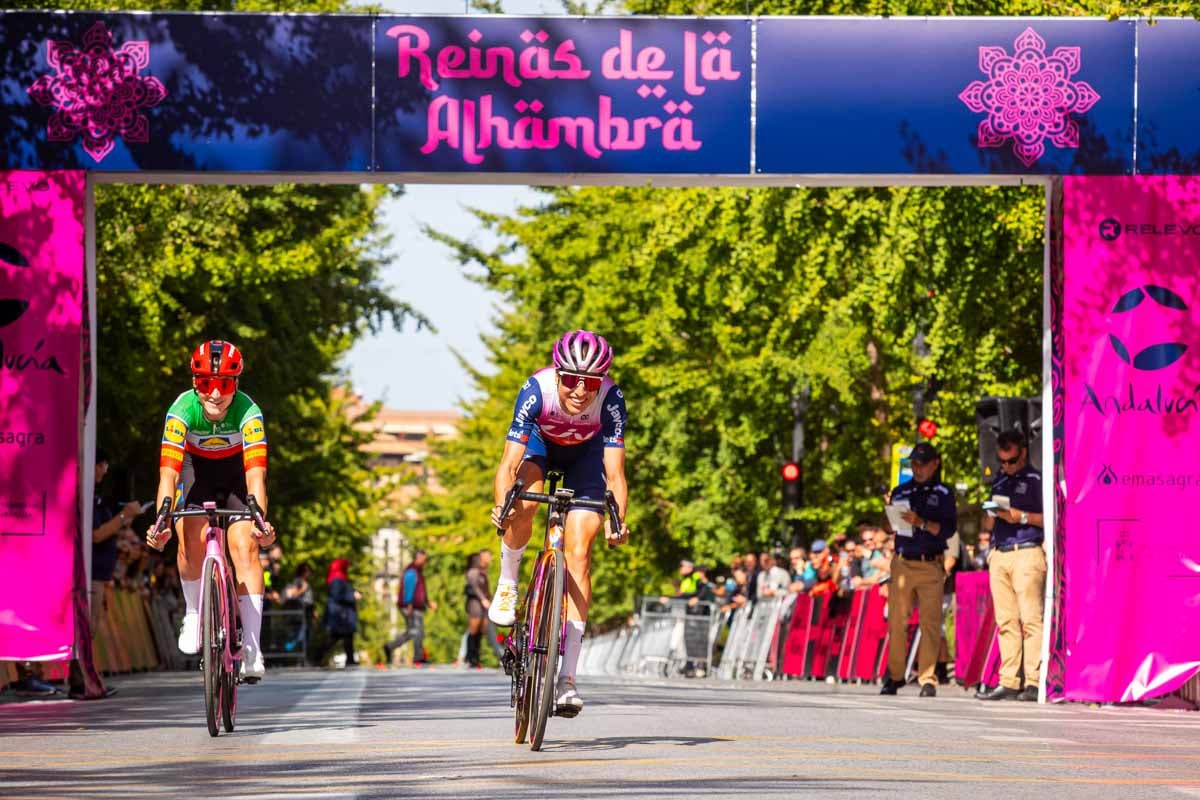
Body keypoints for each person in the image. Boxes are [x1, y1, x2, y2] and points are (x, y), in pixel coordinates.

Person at [488, 330, 630, 717]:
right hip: (540, 448)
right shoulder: (537, 390)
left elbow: (615, 474)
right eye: (571, 380)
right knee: (524, 504)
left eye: (591, 382)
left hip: (586, 457)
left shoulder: (611, 399)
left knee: (580, 551)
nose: (581, 391)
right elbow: (508, 465)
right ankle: (509, 580)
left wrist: (618, 520)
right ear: (558, 374)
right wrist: (503, 505)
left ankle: (567, 679)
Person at [145, 340, 276, 683]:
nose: (215, 394)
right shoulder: (181, 411)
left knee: (244, 546)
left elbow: (256, 476)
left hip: (235, 476)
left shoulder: (249, 413)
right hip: (196, 472)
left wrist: (260, 520)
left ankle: (251, 646)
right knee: (189, 535)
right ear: (194, 384)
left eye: (225, 385)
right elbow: (169, 474)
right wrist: (162, 519)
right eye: (206, 384)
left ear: (236, 385)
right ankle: (193, 612)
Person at [880, 442, 957, 698]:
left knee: (931, 623)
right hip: (903, 561)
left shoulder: (944, 493)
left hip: (930, 562)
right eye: (913, 464)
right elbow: (889, 528)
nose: (917, 468)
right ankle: (895, 675)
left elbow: (948, 530)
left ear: (934, 464)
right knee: (897, 622)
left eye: (922, 464)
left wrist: (921, 522)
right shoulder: (901, 490)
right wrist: (889, 509)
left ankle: (928, 678)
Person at [976, 430, 1045, 702]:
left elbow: (1051, 517)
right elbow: (988, 523)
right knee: (1005, 621)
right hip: (1000, 552)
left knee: (1031, 620)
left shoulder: (1036, 480)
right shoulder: (999, 480)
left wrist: (1022, 517)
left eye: (1012, 460)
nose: (1007, 466)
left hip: (1027, 550)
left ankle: (1034, 681)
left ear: (1024, 454)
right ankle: (1009, 680)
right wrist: (991, 515)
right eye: (1002, 461)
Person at [384, 550, 437, 665]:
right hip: (410, 606)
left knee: (413, 631)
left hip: (416, 605)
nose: (425, 562)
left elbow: (420, 591)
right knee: (417, 631)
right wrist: (409, 604)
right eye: (423, 559)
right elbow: (409, 588)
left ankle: (390, 647)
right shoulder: (412, 571)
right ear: (417, 558)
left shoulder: (418, 572)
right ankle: (418, 657)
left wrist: (427, 602)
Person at [316, 558, 359, 667]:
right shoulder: (337, 579)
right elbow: (337, 596)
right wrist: (352, 596)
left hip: (342, 614)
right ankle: (317, 657)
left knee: (344, 637)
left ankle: (350, 660)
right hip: (341, 615)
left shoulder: (337, 578)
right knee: (335, 638)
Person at [464, 550, 492, 669]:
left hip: (483, 604)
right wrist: (483, 599)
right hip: (475, 603)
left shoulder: (482, 572)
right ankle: (470, 657)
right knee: (473, 630)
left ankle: (476, 656)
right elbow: (475, 588)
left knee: (481, 630)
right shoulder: (473, 572)